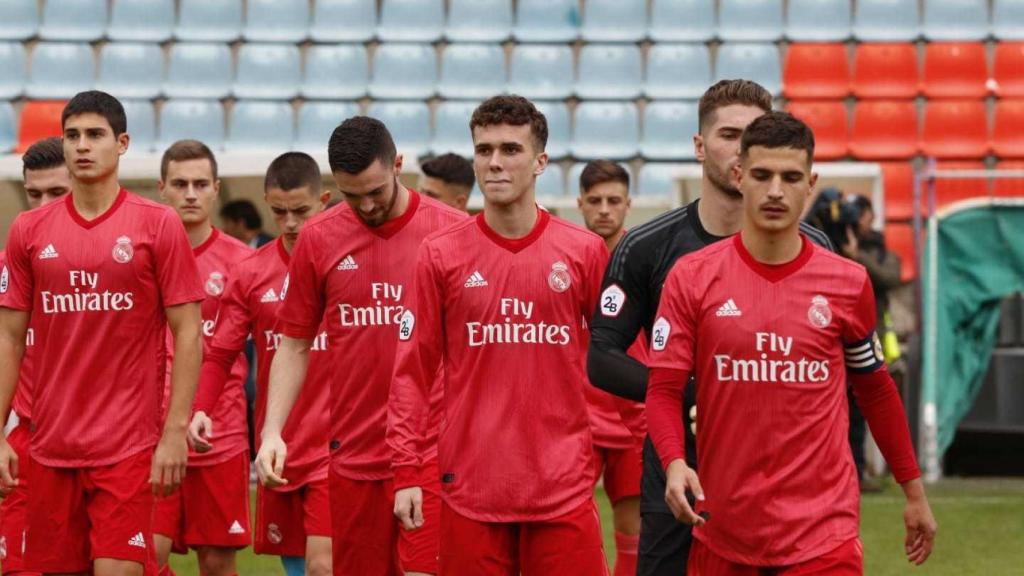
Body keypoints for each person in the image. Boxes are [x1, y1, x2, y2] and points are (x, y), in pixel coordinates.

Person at [646, 111, 937, 574]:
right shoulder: (693, 277)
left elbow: (875, 389)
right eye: (762, 175)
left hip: (823, 535)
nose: (776, 190)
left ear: (810, 183)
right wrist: (675, 461)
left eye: (790, 177)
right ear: (739, 177)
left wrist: (914, 492)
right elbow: (662, 389)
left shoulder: (848, 282)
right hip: (724, 530)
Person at [586, 79, 835, 576]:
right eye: (727, 135)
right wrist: (696, 393)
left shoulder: (816, 249)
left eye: (752, 135)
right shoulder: (648, 247)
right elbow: (602, 358)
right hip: (676, 481)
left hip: (779, 489)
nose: (739, 149)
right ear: (699, 146)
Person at [388, 95, 609, 575]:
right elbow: (411, 373)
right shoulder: (440, 254)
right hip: (471, 490)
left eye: (511, 149)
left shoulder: (584, 252)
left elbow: (615, 360)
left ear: (540, 162)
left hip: (562, 488)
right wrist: (407, 470)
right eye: (484, 149)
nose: (495, 162)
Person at [0, 90, 204, 575]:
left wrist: (174, 432)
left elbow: (190, 332)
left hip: (127, 447)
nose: (81, 146)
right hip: (50, 448)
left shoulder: (158, 225)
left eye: (95, 135)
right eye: (72, 136)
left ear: (123, 143)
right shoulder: (28, 231)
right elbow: (9, 339)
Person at [256, 116, 467, 576]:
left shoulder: (452, 233)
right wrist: (273, 429)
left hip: (435, 453)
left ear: (399, 165)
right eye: (354, 195)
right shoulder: (318, 237)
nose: (367, 205)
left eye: (376, 190)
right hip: (353, 456)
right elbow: (293, 344)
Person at [191, 152, 332, 576]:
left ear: (323, 200)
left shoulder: (349, 262)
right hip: (281, 444)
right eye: (279, 212)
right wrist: (201, 408)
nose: (289, 223)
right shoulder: (252, 272)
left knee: (323, 565)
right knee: (296, 568)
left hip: (340, 443)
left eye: (301, 211)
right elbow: (221, 351)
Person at [154, 141, 253, 576]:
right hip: (150, 435)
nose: (190, 193)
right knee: (143, 558)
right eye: (180, 184)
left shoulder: (243, 262)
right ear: (162, 189)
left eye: (200, 184)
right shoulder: (141, 256)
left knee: (216, 563)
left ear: (215, 189)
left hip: (221, 434)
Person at [0, 137, 72, 576]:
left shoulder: (115, 260)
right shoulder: (10, 262)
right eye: (34, 194)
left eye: (56, 193)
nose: (43, 205)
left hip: (105, 442)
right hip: (27, 442)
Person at [575, 160, 644, 576]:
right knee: (572, 524)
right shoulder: (567, 257)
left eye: (613, 201)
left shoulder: (647, 258)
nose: (604, 209)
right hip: (579, 415)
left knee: (633, 526)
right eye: (595, 201)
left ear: (628, 204)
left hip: (633, 412)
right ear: (580, 203)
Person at [844, 194, 904, 492]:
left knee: (883, 404)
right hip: (843, 341)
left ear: (871, 215)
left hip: (878, 340)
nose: (855, 218)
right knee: (850, 411)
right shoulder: (833, 242)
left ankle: (897, 470)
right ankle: (855, 470)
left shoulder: (881, 252)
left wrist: (857, 256)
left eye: (860, 212)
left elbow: (891, 277)